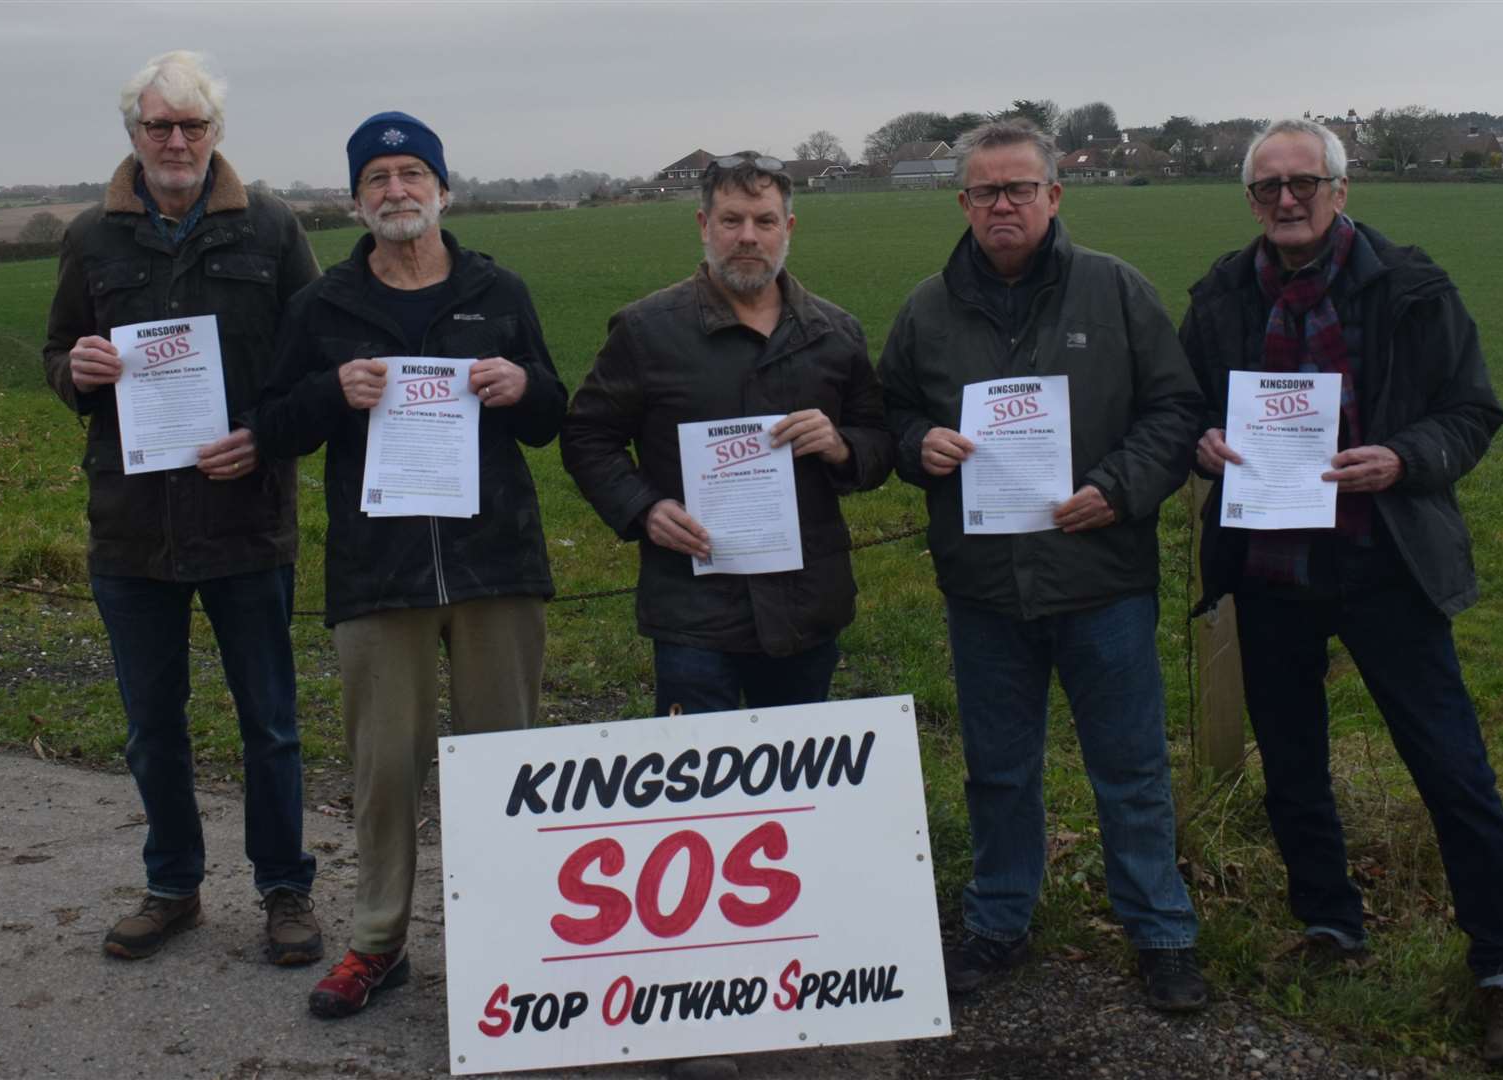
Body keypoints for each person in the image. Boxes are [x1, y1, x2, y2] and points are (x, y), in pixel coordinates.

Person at [1180, 117, 1503, 1071]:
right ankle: (1330, 926)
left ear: (1343, 189)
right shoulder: (1221, 295)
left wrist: (1405, 458)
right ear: (1251, 200)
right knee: (1293, 763)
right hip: (1270, 573)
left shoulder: (1413, 289)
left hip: (1384, 566)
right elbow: (1180, 406)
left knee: (1453, 770)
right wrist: (1201, 444)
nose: (1287, 200)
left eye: (1306, 182)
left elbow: (1473, 411)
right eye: (1268, 188)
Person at [878, 119, 1208, 1011]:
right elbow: (891, 415)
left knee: (1131, 767)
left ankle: (1163, 933)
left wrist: (1122, 486)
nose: (1002, 205)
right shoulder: (926, 309)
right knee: (998, 768)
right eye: (985, 191)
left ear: (1054, 196)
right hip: (984, 587)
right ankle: (998, 920)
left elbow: (1176, 411)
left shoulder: (1117, 292)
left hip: (1100, 576)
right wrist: (919, 444)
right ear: (963, 204)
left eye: (1019, 188)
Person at [251, 112, 566, 1020]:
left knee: (504, 763)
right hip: (376, 570)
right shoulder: (322, 306)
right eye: (378, 177)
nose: (397, 190)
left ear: (442, 189)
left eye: (412, 173)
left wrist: (522, 386)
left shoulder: (498, 292)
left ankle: (510, 935)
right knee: (384, 767)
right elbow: (274, 426)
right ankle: (378, 942)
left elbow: (553, 412)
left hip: (495, 565)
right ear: (357, 198)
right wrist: (328, 392)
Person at [41, 50, 321, 967]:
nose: (174, 141)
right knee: (151, 723)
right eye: (158, 125)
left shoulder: (272, 231)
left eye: (191, 126)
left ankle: (285, 889)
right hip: (131, 524)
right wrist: (76, 375)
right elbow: (57, 354)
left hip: (246, 517)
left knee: (269, 719)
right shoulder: (92, 239)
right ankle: (174, 886)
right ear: (133, 135)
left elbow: (313, 367)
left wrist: (268, 437)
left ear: (216, 136)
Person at [561, 154, 893, 719]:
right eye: (731, 220)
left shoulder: (834, 333)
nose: (747, 237)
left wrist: (841, 445)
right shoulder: (646, 331)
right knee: (702, 789)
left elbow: (881, 439)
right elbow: (587, 434)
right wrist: (643, 507)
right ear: (703, 225)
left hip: (807, 600)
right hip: (693, 608)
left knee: (797, 779)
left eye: (764, 222)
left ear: (787, 230)